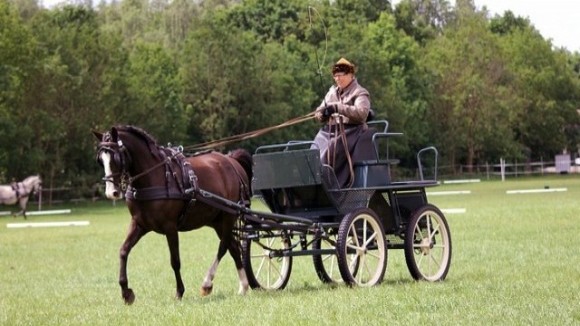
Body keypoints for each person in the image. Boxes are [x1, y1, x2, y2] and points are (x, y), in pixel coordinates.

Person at [312, 57, 372, 188]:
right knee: (313, 153)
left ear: (350, 74)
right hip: (329, 132)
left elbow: (362, 114)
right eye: (335, 76)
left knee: (327, 153)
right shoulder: (331, 92)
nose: (338, 79)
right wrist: (322, 114)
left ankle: (328, 185)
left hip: (352, 132)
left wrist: (338, 107)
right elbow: (318, 112)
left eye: (341, 75)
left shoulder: (360, 92)